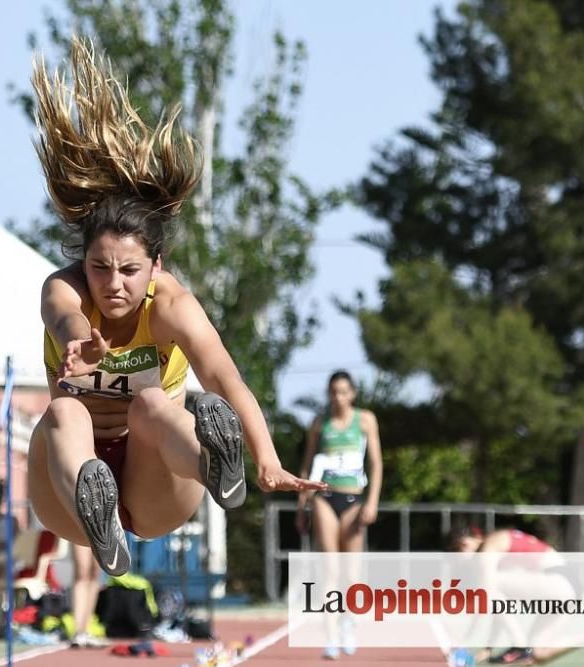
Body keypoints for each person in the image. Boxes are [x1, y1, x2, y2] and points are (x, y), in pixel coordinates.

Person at [26, 37, 326, 577]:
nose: (112, 284)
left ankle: (214, 463)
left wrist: (268, 459)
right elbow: (63, 315)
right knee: (63, 411)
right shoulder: (62, 290)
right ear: (82, 263)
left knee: (157, 406)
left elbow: (226, 381)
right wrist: (79, 338)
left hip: (157, 479)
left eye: (129, 271)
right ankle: (99, 514)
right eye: (99, 268)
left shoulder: (171, 306)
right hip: (68, 494)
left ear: (156, 267)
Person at [295, 370, 383, 660]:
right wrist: (301, 505)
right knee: (329, 570)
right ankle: (330, 634)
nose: (338, 397)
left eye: (343, 391)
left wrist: (372, 502)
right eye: (333, 391)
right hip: (325, 499)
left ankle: (349, 623)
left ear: (352, 393)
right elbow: (307, 465)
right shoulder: (320, 423)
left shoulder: (366, 420)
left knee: (351, 572)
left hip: (355, 499)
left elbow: (376, 464)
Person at [448, 526, 584, 666]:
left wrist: (465, 641)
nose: (461, 555)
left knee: (486, 586)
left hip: (560, 581)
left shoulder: (489, 548)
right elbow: (497, 605)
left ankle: (520, 645)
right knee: (537, 654)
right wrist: (489, 647)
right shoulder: (495, 554)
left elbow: (487, 594)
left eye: (460, 547)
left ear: (473, 538)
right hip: (567, 588)